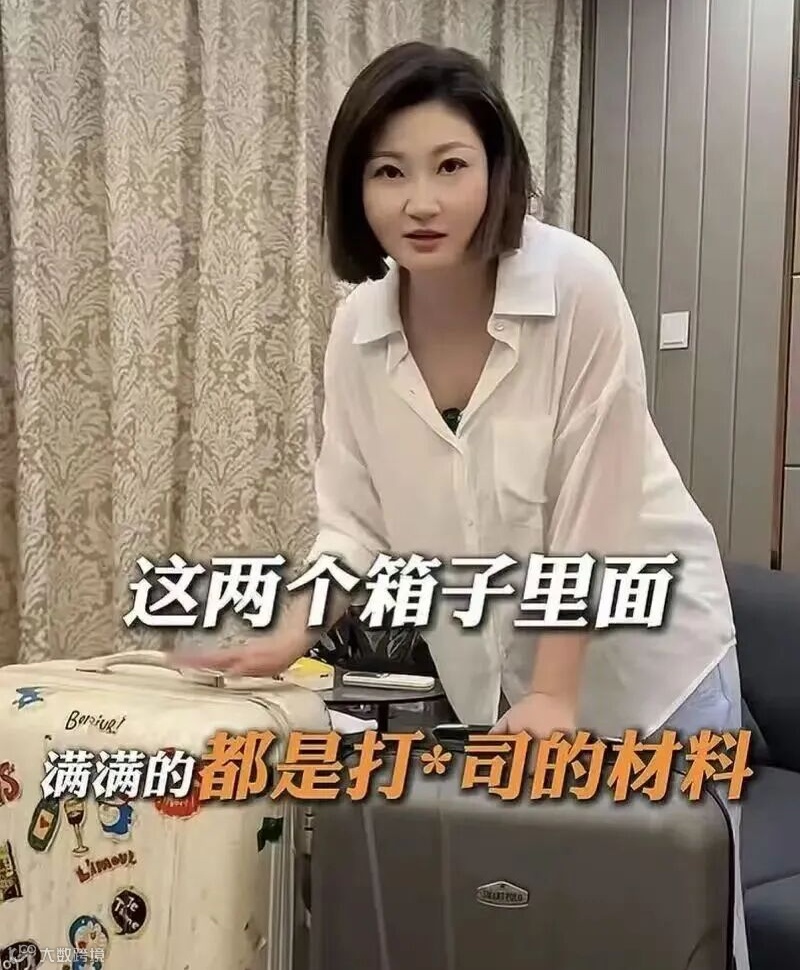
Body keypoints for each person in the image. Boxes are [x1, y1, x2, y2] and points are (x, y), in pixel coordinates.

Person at [181, 41, 749, 967]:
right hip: (511, 684)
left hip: (652, 669)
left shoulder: (576, 286)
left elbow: (595, 515)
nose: (421, 201)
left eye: (450, 166)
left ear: (497, 170)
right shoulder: (358, 330)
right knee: (537, 928)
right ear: (355, 189)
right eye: (389, 172)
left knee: (665, 930)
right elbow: (354, 525)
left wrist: (558, 691)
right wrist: (289, 634)